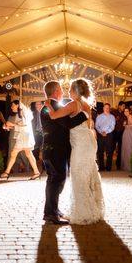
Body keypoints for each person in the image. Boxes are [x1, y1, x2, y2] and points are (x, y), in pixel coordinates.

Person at [45, 78, 105, 225]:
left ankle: (84, 213)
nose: (68, 92)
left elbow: (53, 116)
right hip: (89, 142)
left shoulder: (73, 104)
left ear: (75, 91)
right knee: (89, 174)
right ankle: (93, 209)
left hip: (80, 144)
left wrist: (48, 105)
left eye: (70, 89)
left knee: (79, 176)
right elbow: (88, 125)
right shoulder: (87, 105)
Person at [39, 80, 88, 225]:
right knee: (56, 180)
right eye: (60, 89)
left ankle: (53, 210)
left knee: (55, 181)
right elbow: (68, 123)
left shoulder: (51, 106)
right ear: (55, 91)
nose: (63, 92)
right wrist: (84, 114)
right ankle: (50, 214)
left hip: (53, 151)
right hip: (55, 151)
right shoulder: (51, 106)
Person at [0, 100, 40, 180]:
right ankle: (36, 172)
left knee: (14, 153)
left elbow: (25, 124)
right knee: (28, 154)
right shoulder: (19, 114)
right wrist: (7, 127)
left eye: (13, 105)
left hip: (24, 137)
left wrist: (12, 124)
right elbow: (19, 125)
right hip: (23, 136)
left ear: (18, 105)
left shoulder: (22, 112)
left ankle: (6, 172)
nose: (11, 107)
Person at [95, 103, 116, 172]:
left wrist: (106, 132)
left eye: (108, 107)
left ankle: (108, 167)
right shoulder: (99, 116)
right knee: (100, 151)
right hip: (100, 135)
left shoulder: (112, 117)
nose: (107, 109)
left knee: (109, 151)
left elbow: (112, 126)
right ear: (103, 108)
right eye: (105, 107)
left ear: (109, 108)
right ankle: (101, 167)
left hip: (109, 135)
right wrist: (101, 132)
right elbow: (96, 126)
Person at [120, 107, 132, 172]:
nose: (125, 112)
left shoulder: (130, 116)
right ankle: (127, 165)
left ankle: (130, 166)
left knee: (129, 148)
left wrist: (125, 125)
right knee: (126, 148)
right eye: (124, 111)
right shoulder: (127, 117)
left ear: (129, 111)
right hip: (127, 132)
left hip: (130, 133)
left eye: (127, 111)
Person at [111, 101, 127, 169]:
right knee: (112, 148)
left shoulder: (124, 114)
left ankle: (118, 165)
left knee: (120, 149)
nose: (124, 107)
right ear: (119, 106)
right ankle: (109, 164)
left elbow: (125, 123)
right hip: (114, 132)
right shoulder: (114, 112)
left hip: (121, 133)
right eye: (123, 106)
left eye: (124, 106)